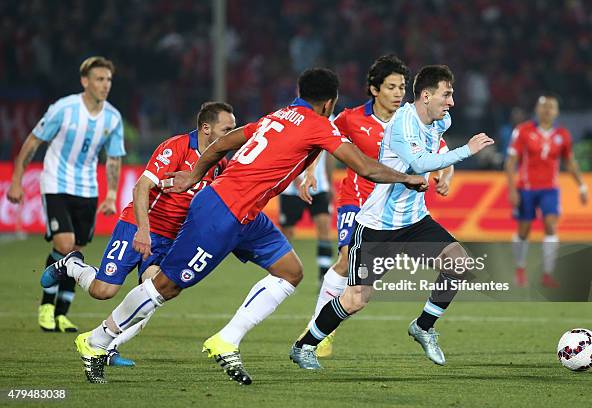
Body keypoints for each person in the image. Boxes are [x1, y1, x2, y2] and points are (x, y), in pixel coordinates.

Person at [72, 67, 428, 385]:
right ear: (328, 102)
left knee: (290, 271)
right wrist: (407, 178)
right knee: (165, 286)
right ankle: (98, 340)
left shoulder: (279, 115)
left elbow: (226, 141)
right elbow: (365, 167)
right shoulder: (319, 123)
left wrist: (195, 174)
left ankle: (227, 339)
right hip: (221, 212)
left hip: (244, 213)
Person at [290, 65, 494, 370]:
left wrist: (444, 173)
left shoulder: (440, 120)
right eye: (446, 94)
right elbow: (419, 161)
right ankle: (304, 346)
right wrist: (467, 150)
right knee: (356, 300)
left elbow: (436, 147)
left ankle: (423, 326)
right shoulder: (401, 125)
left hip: (414, 222)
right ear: (427, 96)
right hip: (378, 226)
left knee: (459, 264)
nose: (451, 102)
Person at [40, 102, 235, 366]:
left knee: (154, 293)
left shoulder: (219, 164)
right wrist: (143, 230)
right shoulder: (176, 147)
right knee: (103, 290)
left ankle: (107, 346)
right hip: (138, 225)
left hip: (169, 239)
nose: (232, 135)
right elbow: (142, 187)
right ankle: (72, 264)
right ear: (206, 128)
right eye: (228, 129)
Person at [6, 56, 124, 333]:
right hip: (56, 182)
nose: (105, 84)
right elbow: (34, 140)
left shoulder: (113, 117)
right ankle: (47, 306)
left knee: (77, 251)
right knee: (66, 243)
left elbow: (115, 158)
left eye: (108, 79)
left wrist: (112, 194)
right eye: (99, 79)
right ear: (85, 81)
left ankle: (62, 313)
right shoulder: (64, 108)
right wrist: (16, 180)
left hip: (88, 188)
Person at [505, 94, 588, 288]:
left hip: (550, 189)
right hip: (525, 189)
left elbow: (569, 162)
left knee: (551, 226)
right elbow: (510, 162)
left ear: (557, 112)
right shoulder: (523, 131)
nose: (547, 110)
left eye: (551, 107)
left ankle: (547, 274)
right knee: (523, 231)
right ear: (537, 109)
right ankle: (520, 270)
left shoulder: (563, 135)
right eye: (544, 106)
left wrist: (582, 186)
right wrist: (511, 189)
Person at [279, 151, 334, 281]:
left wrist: (330, 183)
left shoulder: (327, 131)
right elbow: (285, 154)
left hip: (319, 188)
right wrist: (296, 179)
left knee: (324, 230)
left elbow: (330, 157)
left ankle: (324, 276)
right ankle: (283, 276)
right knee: (287, 233)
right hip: (291, 190)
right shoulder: (293, 130)